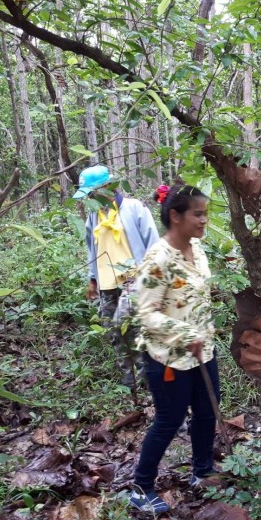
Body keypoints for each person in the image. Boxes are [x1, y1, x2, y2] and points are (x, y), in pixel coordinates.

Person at [129, 185, 217, 513]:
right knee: (169, 419)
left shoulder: (198, 248)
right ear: (176, 216)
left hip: (203, 351)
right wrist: (184, 332)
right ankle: (141, 487)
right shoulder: (158, 258)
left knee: (207, 412)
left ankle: (202, 472)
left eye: (205, 214)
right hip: (167, 357)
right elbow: (146, 313)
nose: (204, 220)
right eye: (198, 214)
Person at [74, 165, 159, 387]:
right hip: (107, 281)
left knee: (128, 323)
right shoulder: (94, 216)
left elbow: (153, 243)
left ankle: (147, 373)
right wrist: (92, 280)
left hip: (134, 278)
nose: (90, 198)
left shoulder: (134, 208)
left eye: (92, 192)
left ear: (108, 187)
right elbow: (92, 248)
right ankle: (130, 379)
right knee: (113, 329)